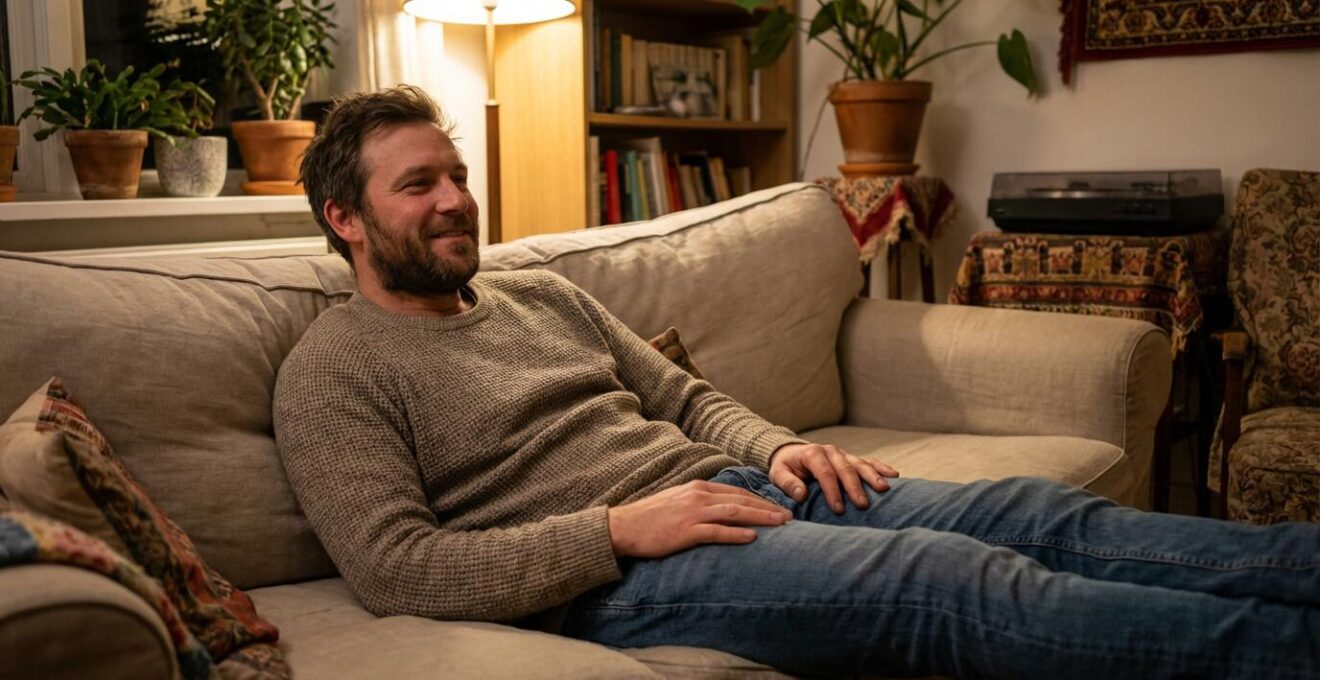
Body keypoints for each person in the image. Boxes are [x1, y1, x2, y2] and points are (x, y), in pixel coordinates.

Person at [275, 85, 1319, 679]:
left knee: (1036, 514)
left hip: (741, 489)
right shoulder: (332, 368)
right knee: (947, 577)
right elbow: (400, 569)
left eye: (456, 173)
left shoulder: (535, 294)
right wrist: (616, 530)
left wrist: (775, 446)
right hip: (620, 575)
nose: (456, 199)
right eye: (420, 184)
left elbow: (685, 397)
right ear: (346, 218)